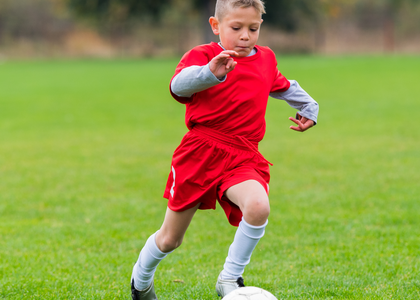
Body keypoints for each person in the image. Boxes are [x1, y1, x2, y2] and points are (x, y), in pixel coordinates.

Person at [130, 0, 319, 299]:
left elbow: (283, 85)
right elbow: (178, 86)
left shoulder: (266, 58)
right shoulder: (203, 56)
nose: (245, 36)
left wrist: (310, 107)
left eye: (253, 28)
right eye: (236, 28)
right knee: (170, 239)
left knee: (258, 207)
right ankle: (140, 281)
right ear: (216, 26)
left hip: (243, 155)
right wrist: (209, 72)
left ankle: (230, 279)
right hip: (201, 151)